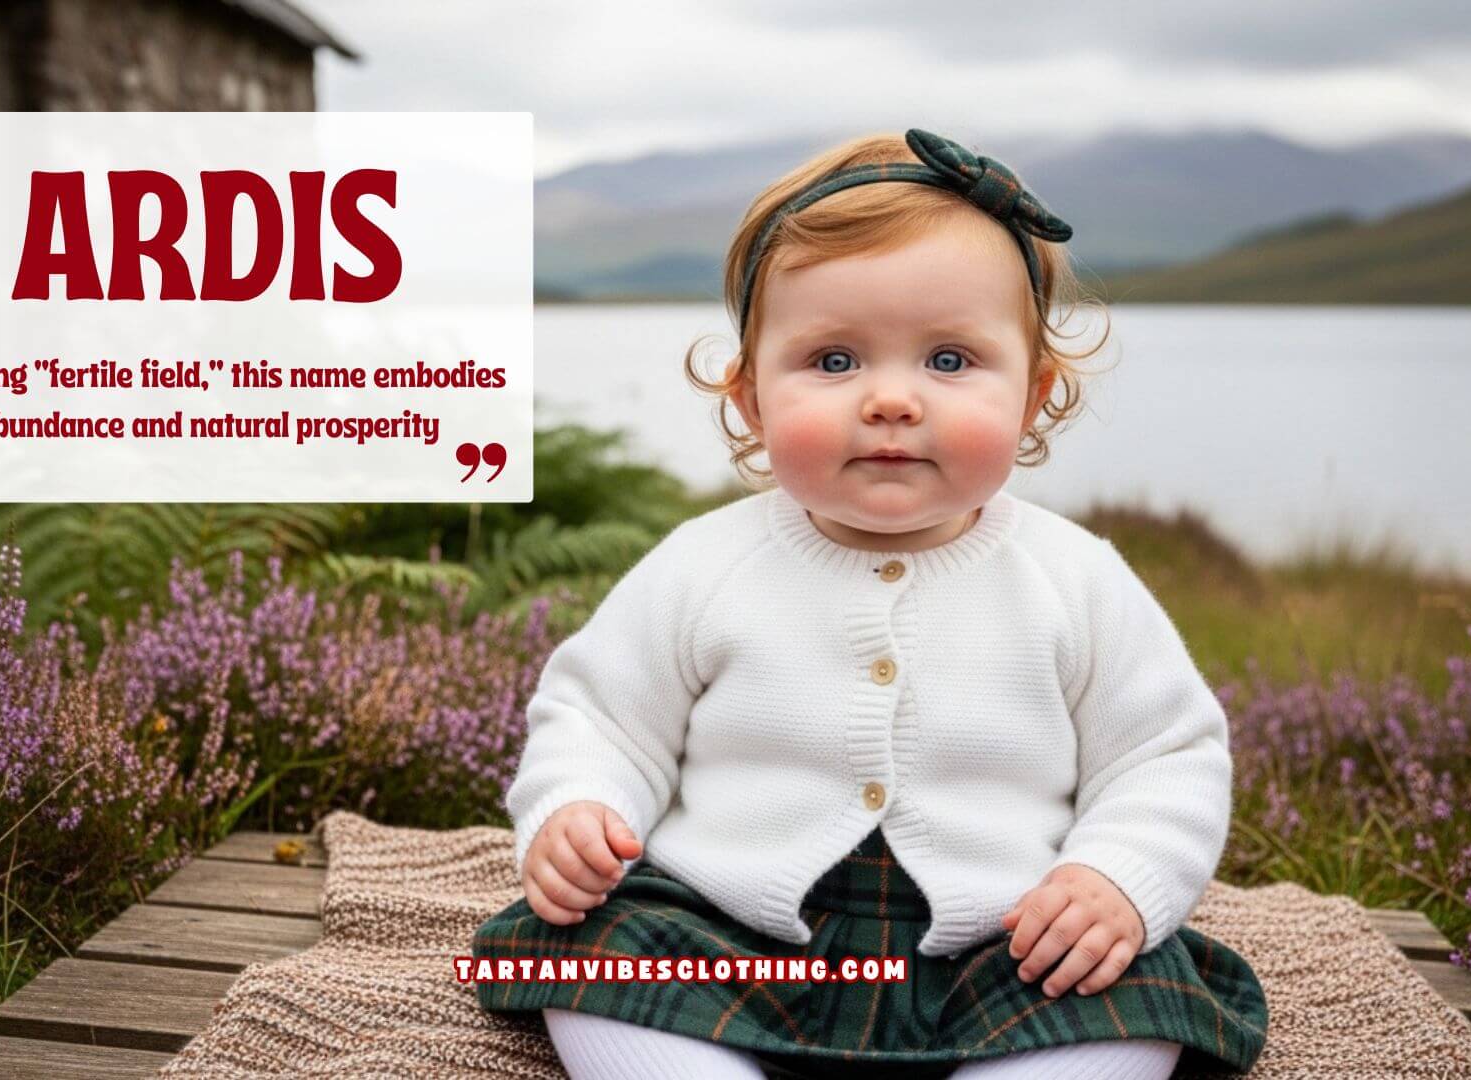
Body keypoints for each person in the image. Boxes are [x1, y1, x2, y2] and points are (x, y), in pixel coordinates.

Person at [471, 129, 1267, 1079]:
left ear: (1033, 393)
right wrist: (580, 808)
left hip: (1002, 947)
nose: (892, 400)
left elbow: (1164, 756)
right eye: (836, 360)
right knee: (595, 956)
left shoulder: (1075, 578)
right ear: (751, 397)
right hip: (730, 933)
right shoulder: (704, 565)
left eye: (950, 360)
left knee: (1126, 995)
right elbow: (600, 717)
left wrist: (1114, 879)